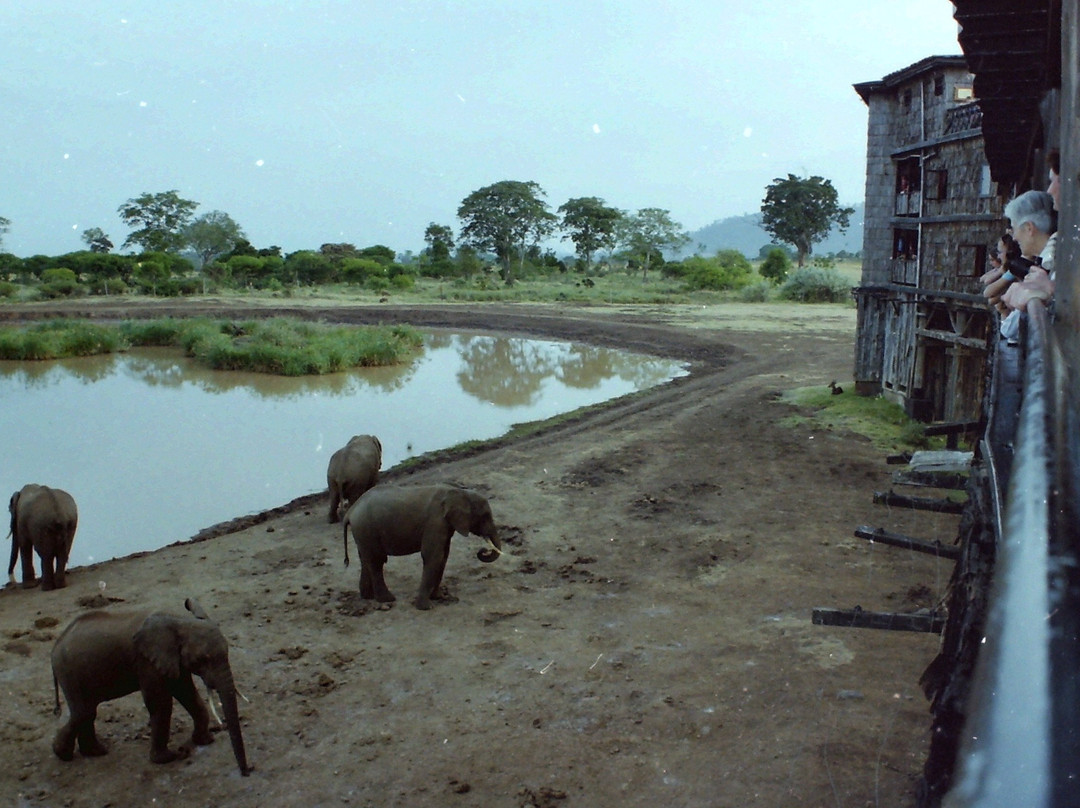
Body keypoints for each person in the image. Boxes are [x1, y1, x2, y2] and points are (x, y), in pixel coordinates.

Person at [994, 189, 1056, 336]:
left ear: (1029, 228)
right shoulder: (1052, 256)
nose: (1014, 238)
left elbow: (1009, 330)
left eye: (1014, 229)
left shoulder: (1051, 264)